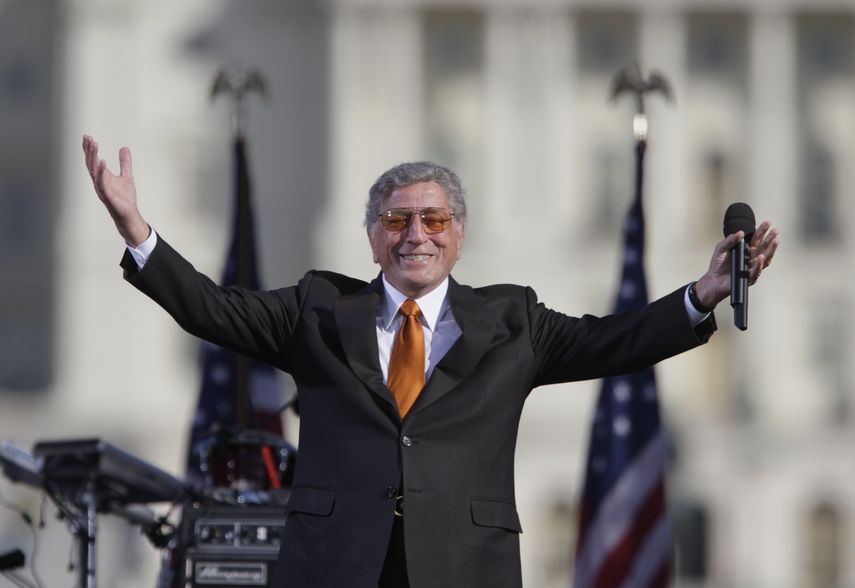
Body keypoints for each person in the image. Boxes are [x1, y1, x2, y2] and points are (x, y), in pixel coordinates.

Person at [82, 135, 778, 588]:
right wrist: (136, 232)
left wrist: (702, 293)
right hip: (334, 567)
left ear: (458, 236)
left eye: (434, 220)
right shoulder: (316, 309)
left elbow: (614, 340)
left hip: (462, 567)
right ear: (372, 237)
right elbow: (210, 308)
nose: (415, 234)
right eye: (397, 220)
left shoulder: (512, 321)